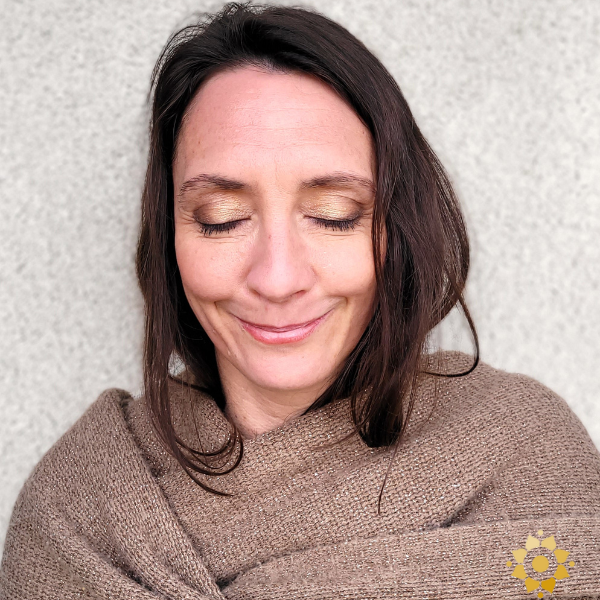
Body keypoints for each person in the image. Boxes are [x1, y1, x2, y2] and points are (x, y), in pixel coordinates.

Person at [1, 3, 599, 599]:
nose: (278, 278)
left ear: (398, 230)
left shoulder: (528, 455)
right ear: (169, 239)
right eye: (221, 218)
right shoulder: (74, 518)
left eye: (334, 216)